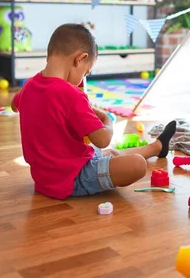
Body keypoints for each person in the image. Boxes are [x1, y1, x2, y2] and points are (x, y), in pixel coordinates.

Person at [12, 24, 176, 200]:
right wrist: (108, 119)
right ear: (79, 59)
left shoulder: (29, 86)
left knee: (109, 155)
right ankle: (154, 148)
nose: (83, 78)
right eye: (85, 72)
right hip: (73, 179)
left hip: (43, 179)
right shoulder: (71, 95)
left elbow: (15, 105)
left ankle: (157, 147)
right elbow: (103, 139)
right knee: (136, 165)